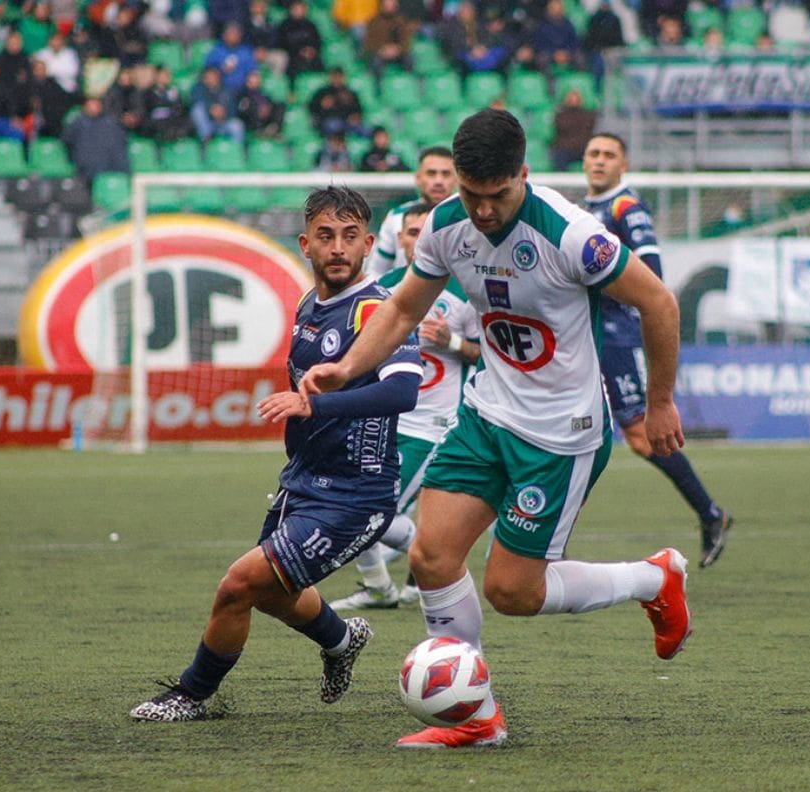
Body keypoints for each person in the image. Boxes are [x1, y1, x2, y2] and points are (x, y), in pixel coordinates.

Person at [300, 109, 692, 749]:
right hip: (485, 414)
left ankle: (655, 578)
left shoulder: (572, 235)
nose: (481, 211)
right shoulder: (446, 225)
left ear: (524, 176)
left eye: (497, 195)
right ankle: (475, 717)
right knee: (431, 556)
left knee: (511, 591)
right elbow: (403, 307)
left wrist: (661, 402)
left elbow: (658, 302)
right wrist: (348, 366)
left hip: (561, 435)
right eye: (470, 193)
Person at [129, 185, 423, 722]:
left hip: (356, 496)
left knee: (239, 586)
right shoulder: (310, 303)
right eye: (327, 237)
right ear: (305, 244)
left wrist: (317, 408)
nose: (339, 248)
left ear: (368, 244)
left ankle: (189, 695)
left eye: (351, 237)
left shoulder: (378, 310)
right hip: (304, 481)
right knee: (272, 593)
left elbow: (403, 392)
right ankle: (340, 640)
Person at [582, 132, 733, 568]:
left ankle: (710, 513)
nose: (600, 161)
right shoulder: (584, 209)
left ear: (623, 164)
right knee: (580, 425)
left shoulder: (626, 208)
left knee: (640, 435)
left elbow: (652, 274)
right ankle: (552, 533)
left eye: (609, 155)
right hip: (587, 331)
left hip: (615, 333)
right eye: (594, 153)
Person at [331, 202, 481, 611]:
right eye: (412, 233)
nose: (419, 240)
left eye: (426, 232)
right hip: (382, 418)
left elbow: (488, 357)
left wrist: (451, 342)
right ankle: (382, 584)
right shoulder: (380, 289)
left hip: (432, 425)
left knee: (368, 509)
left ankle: (422, 557)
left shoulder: (467, 293)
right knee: (352, 500)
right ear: (400, 239)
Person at [364, 145, 456, 277]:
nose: (438, 181)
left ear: (456, 179)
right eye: (431, 173)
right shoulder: (396, 218)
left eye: (446, 174)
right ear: (418, 178)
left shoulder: (468, 218)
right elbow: (376, 272)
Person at [62, 96, 129, 184]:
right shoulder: (77, 124)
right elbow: (67, 141)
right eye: (91, 105)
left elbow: (120, 145)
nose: (93, 108)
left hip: (109, 167)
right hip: (85, 170)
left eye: (96, 105)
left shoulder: (111, 123)